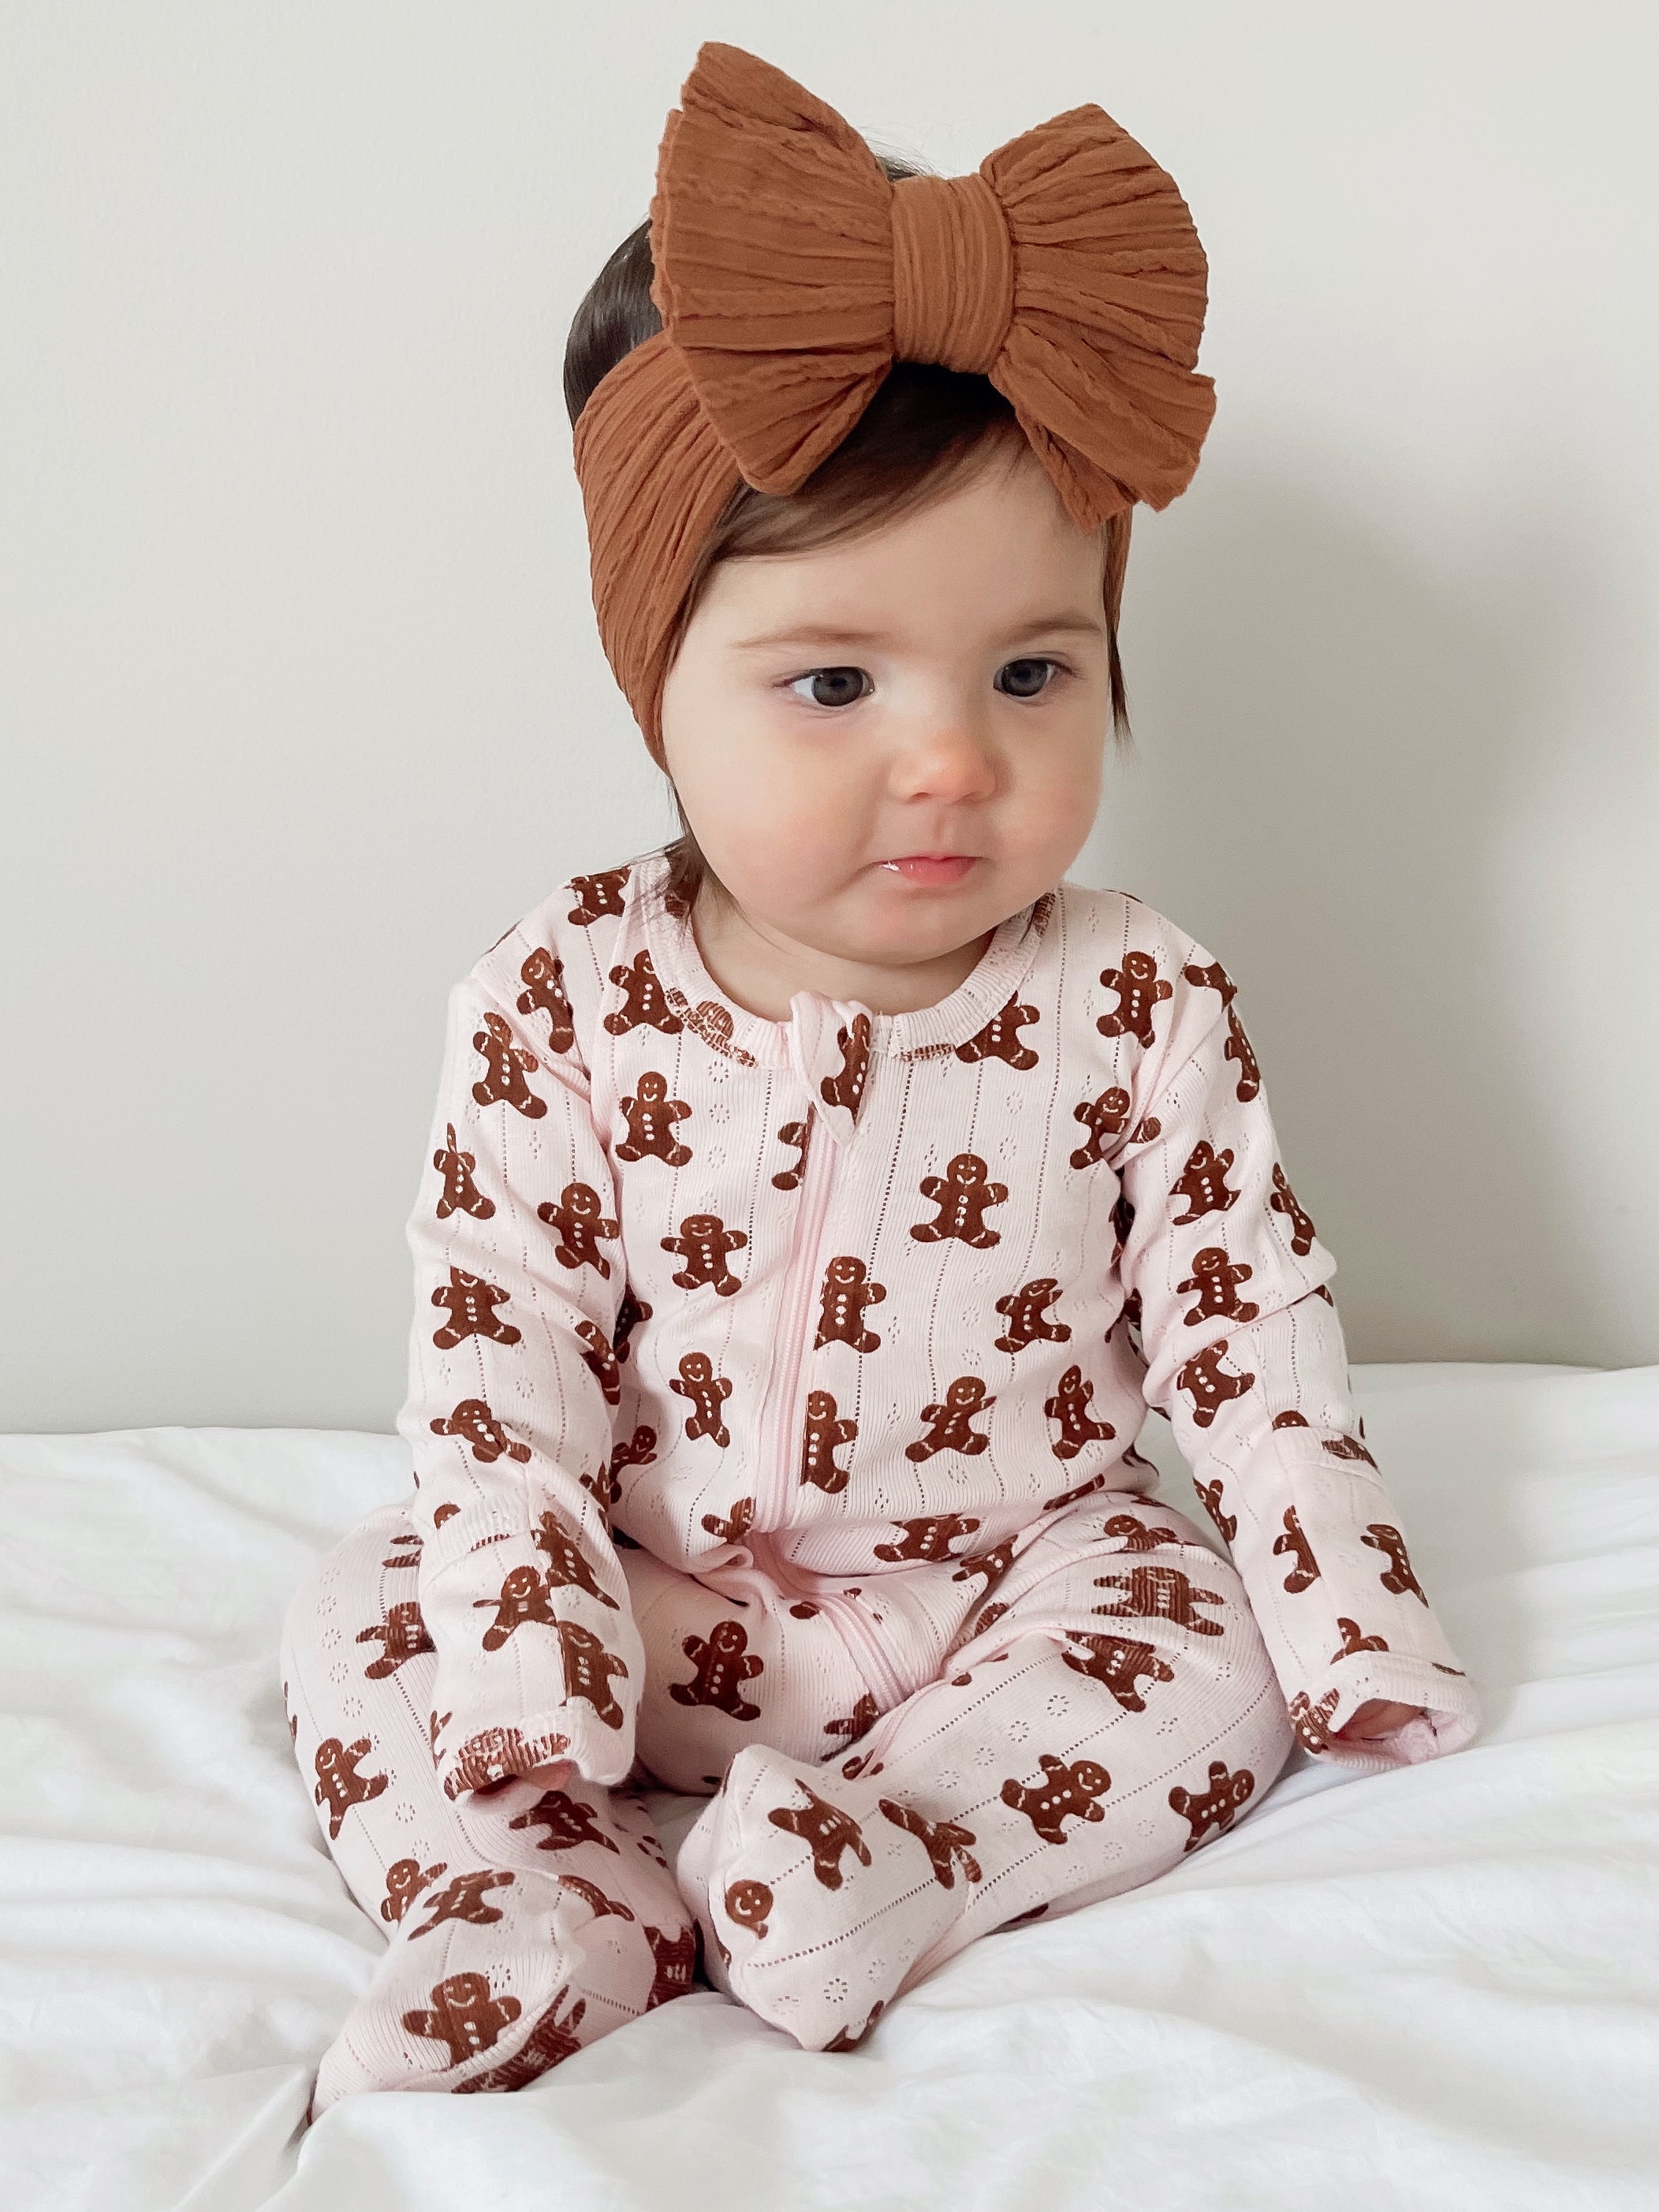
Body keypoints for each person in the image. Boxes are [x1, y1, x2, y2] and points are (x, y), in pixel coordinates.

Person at [281, 40, 1477, 2106]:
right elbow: (506, 1372)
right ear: (659, 684)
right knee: (366, 1607)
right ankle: (553, 1893)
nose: (951, 757)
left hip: (1003, 1579)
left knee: (1200, 1665)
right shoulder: (559, 992)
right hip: (650, 1608)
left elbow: (1249, 1334)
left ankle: (895, 1864)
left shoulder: (1137, 997)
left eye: (1033, 670)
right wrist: (545, 1659)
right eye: (832, 682)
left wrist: (1343, 1612)